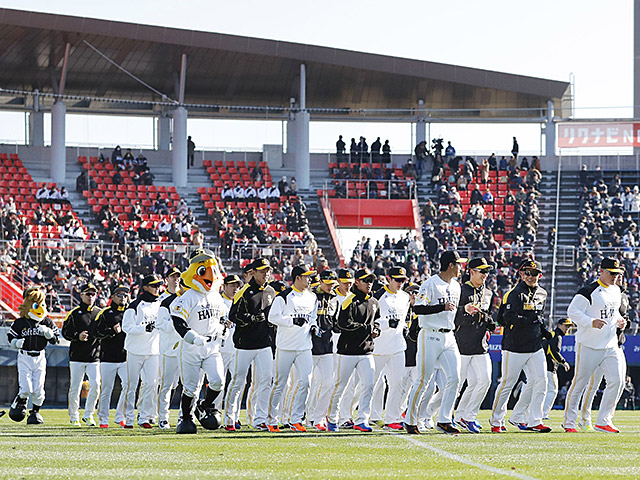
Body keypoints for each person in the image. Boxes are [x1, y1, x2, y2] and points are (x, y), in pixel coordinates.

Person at [404, 251, 466, 435]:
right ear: (450, 265)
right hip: (430, 334)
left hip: (449, 335)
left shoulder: (456, 286)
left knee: (455, 378)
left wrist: (464, 310)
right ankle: (411, 420)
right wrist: (441, 307)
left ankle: (444, 419)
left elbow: (453, 311)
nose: (461, 268)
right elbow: (418, 308)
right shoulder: (430, 284)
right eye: (458, 264)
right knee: (424, 380)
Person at [563, 257, 626, 433]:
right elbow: (572, 312)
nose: (615, 276)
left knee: (618, 381)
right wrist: (590, 321)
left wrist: (620, 321)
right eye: (611, 273)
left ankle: (604, 420)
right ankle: (569, 422)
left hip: (610, 344)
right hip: (589, 345)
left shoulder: (616, 290)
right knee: (580, 383)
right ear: (601, 271)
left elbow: (613, 314)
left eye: (617, 273)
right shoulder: (588, 291)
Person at [490, 260, 551, 433]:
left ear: (540, 275)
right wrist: (528, 321)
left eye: (535, 273)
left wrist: (543, 330)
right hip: (514, 345)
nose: (531, 276)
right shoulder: (514, 293)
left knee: (541, 381)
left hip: (535, 344)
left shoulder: (543, 293)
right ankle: (496, 420)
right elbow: (505, 318)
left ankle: (534, 420)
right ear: (521, 274)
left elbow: (539, 317)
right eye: (527, 272)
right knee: (507, 383)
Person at [171, 249, 226, 434]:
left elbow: (223, 318)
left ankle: (206, 405)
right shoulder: (188, 297)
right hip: (191, 348)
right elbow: (178, 321)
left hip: (212, 346)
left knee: (218, 380)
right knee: (190, 388)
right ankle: (186, 418)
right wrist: (193, 338)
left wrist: (224, 328)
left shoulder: (216, 296)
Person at [327, 268, 381, 432]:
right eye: (366, 280)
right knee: (340, 386)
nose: (369, 284)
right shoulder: (348, 301)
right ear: (357, 282)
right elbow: (344, 323)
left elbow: (377, 321)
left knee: (369, 385)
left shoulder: (374, 302)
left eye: (371, 281)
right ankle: (332, 419)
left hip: (366, 350)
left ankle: (362, 420)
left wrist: (376, 330)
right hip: (347, 350)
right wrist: (367, 329)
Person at [225, 258, 276, 431]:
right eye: (263, 271)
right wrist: (251, 318)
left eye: (268, 270)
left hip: (264, 344)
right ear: (253, 272)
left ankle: (259, 418)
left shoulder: (271, 291)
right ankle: (230, 418)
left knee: (266, 380)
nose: (266, 274)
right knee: (238, 382)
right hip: (244, 344)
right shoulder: (243, 291)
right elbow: (233, 316)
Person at [266, 264, 318, 432]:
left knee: (306, 382)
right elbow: (272, 317)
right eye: (307, 277)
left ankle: (296, 418)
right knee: (280, 384)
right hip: (285, 346)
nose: (309, 280)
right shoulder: (283, 296)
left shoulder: (312, 297)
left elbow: (313, 318)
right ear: (297, 278)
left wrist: (314, 327)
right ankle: (272, 419)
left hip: (304, 346)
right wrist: (291, 321)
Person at [453, 257, 496, 433]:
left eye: (487, 271)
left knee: (484, 381)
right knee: (456, 385)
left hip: (480, 344)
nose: (485, 274)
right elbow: (454, 318)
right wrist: (467, 312)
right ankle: (443, 417)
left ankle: (467, 416)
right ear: (471, 271)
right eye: (482, 271)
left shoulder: (489, 293)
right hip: (462, 344)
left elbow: (490, 315)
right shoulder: (460, 290)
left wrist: (489, 324)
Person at [7, 288, 59, 424]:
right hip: (24, 357)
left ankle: (34, 413)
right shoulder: (20, 322)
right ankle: (20, 401)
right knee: (25, 389)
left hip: (40, 357)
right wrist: (16, 343)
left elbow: (55, 340)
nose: (40, 308)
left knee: (38, 390)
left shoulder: (47, 322)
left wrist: (49, 333)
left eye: (42, 304)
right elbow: (10, 337)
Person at [510, 318, 571, 427]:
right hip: (544, 365)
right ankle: (540, 414)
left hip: (537, 362)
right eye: (566, 326)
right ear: (559, 325)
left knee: (533, 388)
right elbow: (552, 350)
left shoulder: (550, 333)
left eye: (569, 326)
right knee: (548, 390)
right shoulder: (555, 335)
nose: (567, 328)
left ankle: (523, 417)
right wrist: (562, 361)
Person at [370, 266, 411, 430]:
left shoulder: (406, 297)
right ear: (389, 278)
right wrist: (386, 324)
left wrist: (405, 327)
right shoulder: (378, 295)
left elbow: (406, 318)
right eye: (397, 280)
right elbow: (370, 319)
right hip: (378, 346)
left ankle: (392, 418)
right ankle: (370, 416)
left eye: (403, 280)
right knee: (374, 384)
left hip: (398, 346)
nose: (400, 283)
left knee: (397, 382)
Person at [122, 274, 162, 429]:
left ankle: (144, 417)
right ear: (145, 287)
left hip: (153, 351)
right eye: (153, 285)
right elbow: (126, 327)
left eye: (158, 285)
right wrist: (143, 328)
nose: (157, 288)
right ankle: (129, 418)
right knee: (132, 386)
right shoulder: (134, 305)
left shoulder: (160, 305)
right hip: (134, 350)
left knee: (152, 384)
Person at [62, 282, 101, 426]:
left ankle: (89, 414)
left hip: (94, 356)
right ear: (81, 295)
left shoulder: (99, 313)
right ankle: (74, 416)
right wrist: (77, 336)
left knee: (96, 385)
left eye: (93, 294)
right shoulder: (74, 313)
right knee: (75, 387)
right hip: (77, 356)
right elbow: (65, 332)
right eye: (88, 294)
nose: (91, 296)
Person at [307, 269, 340, 431]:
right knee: (308, 384)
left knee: (328, 383)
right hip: (309, 346)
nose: (330, 287)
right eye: (327, 284)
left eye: (332, 284)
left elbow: (335, 323)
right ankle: (304, 417)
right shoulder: (311, 297)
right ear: (320, 282)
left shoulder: (335, 300)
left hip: (328, 346)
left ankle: (319, 418)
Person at [95, 285, 130, 429]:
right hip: (108, 357)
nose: (123, 298)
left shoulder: (131, 312)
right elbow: (96, 332)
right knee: (106, 390)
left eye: (125, 295)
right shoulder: (105, 313)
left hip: (126, 357)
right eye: (119, 295)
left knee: (128, 387)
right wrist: (111, 331)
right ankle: (103, 419)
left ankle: (120, 416)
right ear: (113, 297)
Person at [156, 267, 182, 429]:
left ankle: (184, 416)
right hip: (168, 347)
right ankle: (163, 417)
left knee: (183, 384)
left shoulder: (186, 297)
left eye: (178, 276)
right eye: (172, 276)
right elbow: (160, 324)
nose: (176, 279)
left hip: (184, 347)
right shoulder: (162, 299)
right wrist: (177, 324)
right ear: (166, 279)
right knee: (166, 384)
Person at [215, 274, 243, 414]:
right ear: (224, 286)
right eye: (232, 285)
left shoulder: (241, 302)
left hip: (238, 348)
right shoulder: (218, 301)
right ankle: (215, 412)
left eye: (237, 286)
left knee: (238, 383)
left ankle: (233, 415)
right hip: (221, 348)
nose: (235, 288)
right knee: (219, 383)